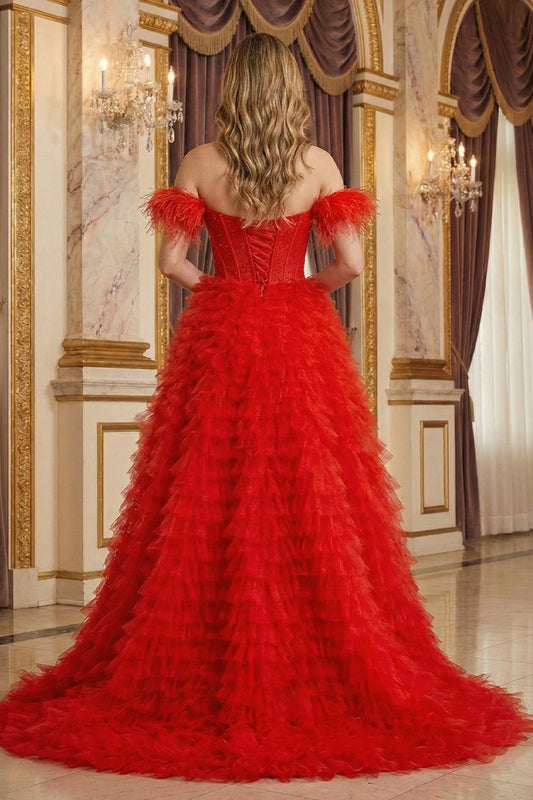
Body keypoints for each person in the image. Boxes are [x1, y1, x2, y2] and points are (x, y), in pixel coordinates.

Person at [0, 33, 530, 783]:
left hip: (219, 335)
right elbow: (346, 262)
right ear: (288, 88)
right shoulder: (316, 166)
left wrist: (224, 291)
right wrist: (292, 294)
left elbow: (172, 263)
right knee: (310, 494)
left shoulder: (198, 163)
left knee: (202, 491)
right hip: (296, 336)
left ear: (231, 90)